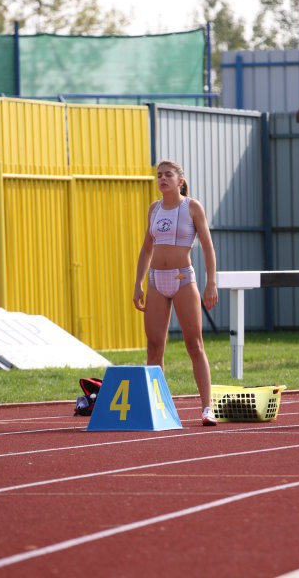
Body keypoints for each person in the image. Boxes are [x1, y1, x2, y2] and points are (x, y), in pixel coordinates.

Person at [133, 160, 218, 426]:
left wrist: (211, 283)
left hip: (183, 279)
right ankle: (156, 407)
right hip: (157, 281)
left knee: (194, 344)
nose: (162, 179)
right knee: (154, 346)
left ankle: (207, 408)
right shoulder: (154, 209)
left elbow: (207, 246)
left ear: (180, 180)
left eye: (168, 175)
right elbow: (147, 248)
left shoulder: (192, 207)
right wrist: (138, 283)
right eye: (159, 175)